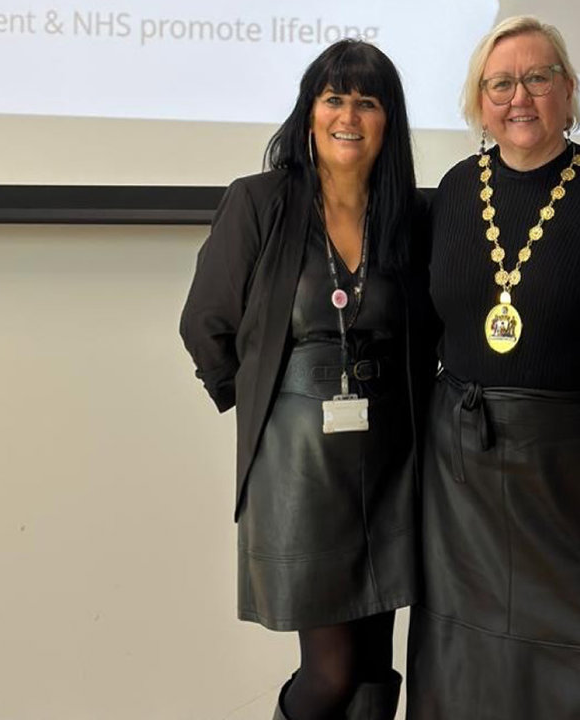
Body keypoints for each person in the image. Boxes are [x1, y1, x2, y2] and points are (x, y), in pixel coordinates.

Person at [406, 16, 580, 719]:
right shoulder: (453, 191)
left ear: (568, 91)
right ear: (479, 101)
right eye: (500, 83)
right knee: (463, 676)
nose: (519, 97)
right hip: (461, 481)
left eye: (537, 78)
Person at [179, 40, 429, 720]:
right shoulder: (259, 202)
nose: (349, 115)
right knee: (333, 670)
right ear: (310, 112)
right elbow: (205, 322)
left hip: (390, 459)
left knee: (377, 666)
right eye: (334, 98)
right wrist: (265, 403)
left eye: (368, 102)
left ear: (389, 120)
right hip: (297, 466)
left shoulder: (410, 216)